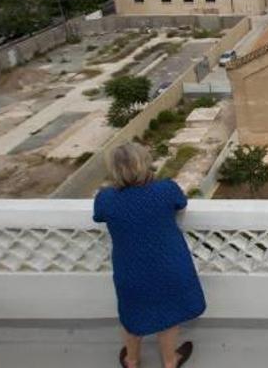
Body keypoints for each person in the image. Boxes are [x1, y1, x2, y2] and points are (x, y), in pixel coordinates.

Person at [94, 142, 206, 368]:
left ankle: (132, 360)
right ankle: (170, 360)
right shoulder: (165, 190)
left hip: (131, 270)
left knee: (132, 314)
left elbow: (99, 217)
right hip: (169, 265)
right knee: (169, 314)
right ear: (144, 164)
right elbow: (181, 203)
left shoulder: (105, 199)